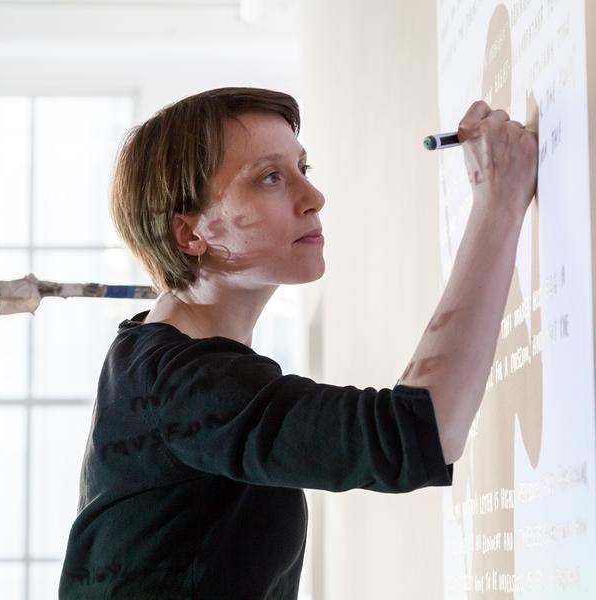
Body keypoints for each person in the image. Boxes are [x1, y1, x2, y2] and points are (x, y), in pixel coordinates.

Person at [58, 87, 537, 599]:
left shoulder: (152, 359)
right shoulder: (182, 381)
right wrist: (497, 203)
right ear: (189, 234)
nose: (313, 198)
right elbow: (418, 431)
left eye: (302, 168)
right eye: (270, 177)